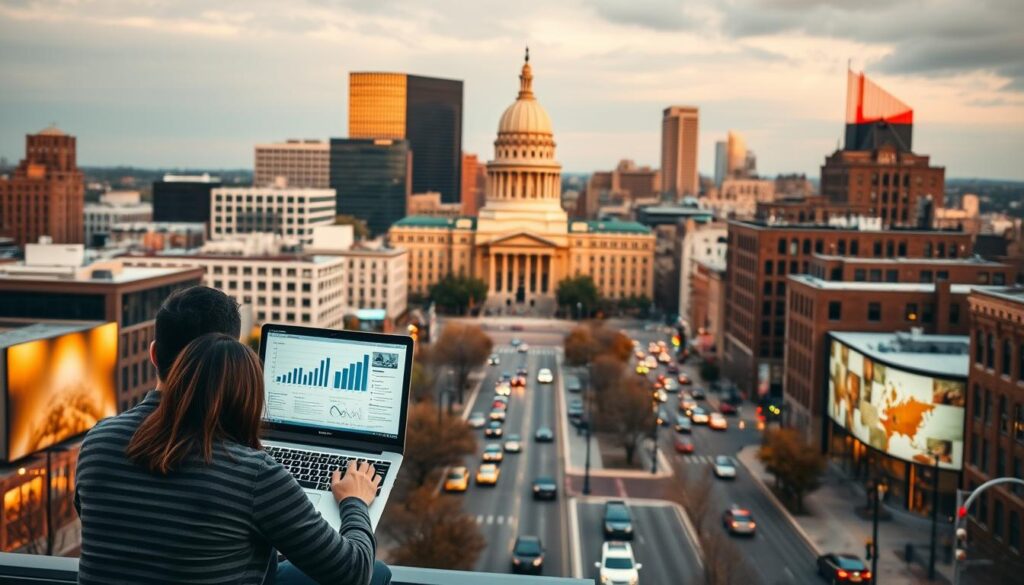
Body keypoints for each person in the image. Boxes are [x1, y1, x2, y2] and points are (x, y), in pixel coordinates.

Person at [74, 286, 392, 585]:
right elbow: (354, 572)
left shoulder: (98, 441)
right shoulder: (253, 473)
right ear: (229, 360)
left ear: (154, 355)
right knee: (377, 573)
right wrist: (354, 501)